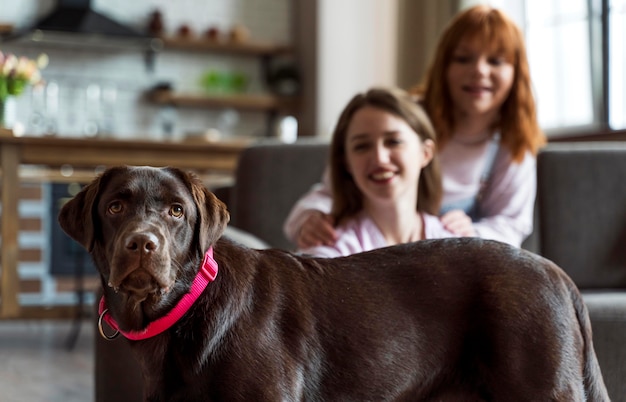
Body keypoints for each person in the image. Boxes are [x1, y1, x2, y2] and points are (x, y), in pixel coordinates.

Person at [285, 4, 545, 250]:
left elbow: (511, 224)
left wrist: (472, 235)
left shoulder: (513, 142)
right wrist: (311, 218)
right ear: (444, 66)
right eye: (463, 58)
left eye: (496, 61)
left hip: (453, 256)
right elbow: (336, 188)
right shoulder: (403, 117)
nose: (479, 70)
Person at [298, 87, 457, 257]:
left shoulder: (455, 243)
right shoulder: (329, 253)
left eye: (393, 141)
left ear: (425, 153)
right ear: (346, 163)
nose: (380, 159)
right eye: (362, 146)